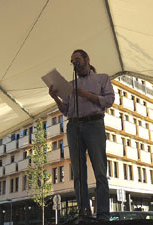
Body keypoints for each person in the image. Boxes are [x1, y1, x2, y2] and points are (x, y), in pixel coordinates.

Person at [49, 49, 115, 221]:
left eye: (77, 59)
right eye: (72, 61)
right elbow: (66, 110)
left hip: (94, 123)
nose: (74, 63)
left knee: (100, 171)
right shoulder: (71, 85)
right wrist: (55, 98)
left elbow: (109, 100)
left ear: (87, 59)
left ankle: (103, 215)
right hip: (74, 126)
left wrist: (86, 94)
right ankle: (84, 212)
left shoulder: (102, 78)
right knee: (78, 173)